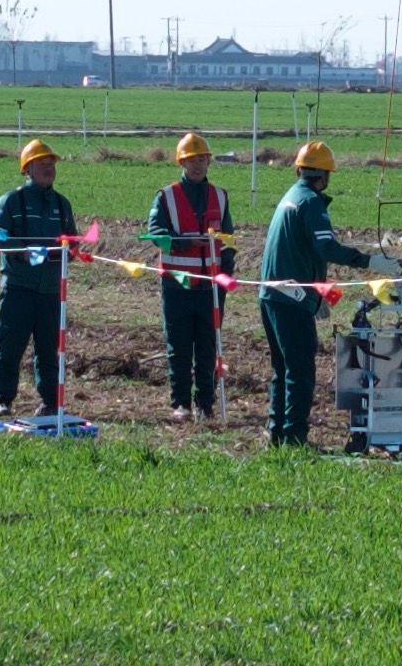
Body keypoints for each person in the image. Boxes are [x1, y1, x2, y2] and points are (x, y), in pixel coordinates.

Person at [256, 139, 382, 446]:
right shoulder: (311, 202)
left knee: (282, 368)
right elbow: (325, 247)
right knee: (300, 370)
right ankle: (295, 437)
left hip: (272, 295)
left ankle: (277, 434)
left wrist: (318, 297)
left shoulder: (290, 196)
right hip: (291, 299)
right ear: (324, 176)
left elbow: (301, 250)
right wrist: (368, 261)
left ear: (299, 169)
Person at [0, 139, 81, 422]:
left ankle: (50, 402)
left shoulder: (62, 205)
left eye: (51, 164)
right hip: (18, 287)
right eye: (42, 164)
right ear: (27, 169)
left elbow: (71, 238)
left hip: (51, 289)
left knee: (50, 348)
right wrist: (21, 249)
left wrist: (72, 249)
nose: (48, 168)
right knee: (10, 345)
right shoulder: (11, 201)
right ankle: (2, 400)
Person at [145, 133, 235, 422]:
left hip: (210, 286)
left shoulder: (220, 196)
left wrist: (227, 273)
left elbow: (228, 240)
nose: (196, 165)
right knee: (179, 345)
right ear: (181, 163)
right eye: (190, 160)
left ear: (208, 161)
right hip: (177, 285)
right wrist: (184, 242)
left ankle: (206, 404)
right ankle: (181, 403)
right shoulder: (166, 196)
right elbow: (155, 234)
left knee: (208, 346)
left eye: (201, 159)